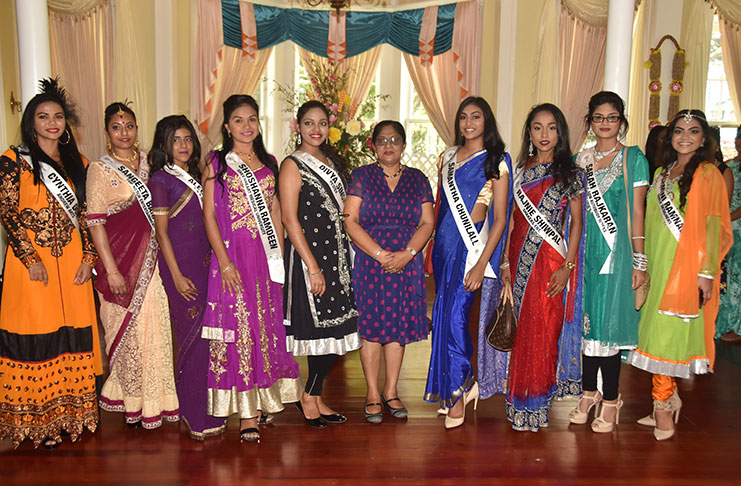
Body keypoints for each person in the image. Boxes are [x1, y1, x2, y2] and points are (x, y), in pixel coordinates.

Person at [0, 79, 102, 449]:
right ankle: (37, 421)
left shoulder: (80, 163)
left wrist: (89, 258)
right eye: (43, 116)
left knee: (71, 334)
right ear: (32, 122)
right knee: (36, 336)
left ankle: (71, 417)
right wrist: (29, 258)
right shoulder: (13, 161)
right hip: (32, 265)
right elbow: (7, 212)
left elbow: (89, 215)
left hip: (73, 262)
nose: (52, 122)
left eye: (58, 116)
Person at [201, 95, 302, 443]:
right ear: (227, 126)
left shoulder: (270, 161)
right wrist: (225, 263)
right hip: (233, 258)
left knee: (266, 325)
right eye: (239, 120)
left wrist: (280, 258)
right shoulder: (216, 162)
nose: (246, 126)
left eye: (252, 119)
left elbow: (275, 212)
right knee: (241, 327)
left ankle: (264, 399)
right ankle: (246, 413)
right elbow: (209, 217)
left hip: (265, 259)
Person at [627, 110, 732, 441]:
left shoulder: (708, 174)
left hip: (686, 270)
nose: (685, 136)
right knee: (655, 333)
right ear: (669, 136)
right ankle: (666, 395)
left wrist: (705, 272)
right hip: (658, 266)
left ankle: (662, 405)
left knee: (666, 335)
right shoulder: (661, 172)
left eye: (694, 130)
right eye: (679, 130)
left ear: (704, 139)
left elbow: (714, 226)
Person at [87, 102, 179, 428]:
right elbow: (95, 223)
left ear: (137, 129)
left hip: (153, 264)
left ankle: (156, 401)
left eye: (130, 126)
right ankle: (132, 402)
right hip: (120, 264)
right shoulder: (100, 170)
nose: (124, 133)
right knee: (126, 334)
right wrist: (111, 271)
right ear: (107, 131)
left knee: (155, 331)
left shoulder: (152, 164)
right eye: (117, 126)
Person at [424, 96, 512, 429]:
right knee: (443, 318)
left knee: (458, 317)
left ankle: (461, 390)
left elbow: (501, 218)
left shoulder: (497, 160)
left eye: (476, 116)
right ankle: (456, 385)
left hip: (472, 247)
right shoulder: (446, 157)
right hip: (445, 246)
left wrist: (481, 263)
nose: (468, 123)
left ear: (486, 120)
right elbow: (440, 205)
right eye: (463, 117)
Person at [569, 91, 649, 433]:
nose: (605, 123)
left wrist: (640, 261)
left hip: (617, 256)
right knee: (587, 328)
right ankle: (589, 393)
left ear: (622, 120)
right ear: (590, 121)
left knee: (610, 328)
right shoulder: (579, 159)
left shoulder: (633, 158)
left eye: (611, 117)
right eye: (598, 117)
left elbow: (638, 212)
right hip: (586, 253)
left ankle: (612, 398)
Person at [501, 103, 584, 432]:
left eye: (551, 128)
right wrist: (506, 261)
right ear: (529, 133)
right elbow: (510, 220)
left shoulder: (570, 173)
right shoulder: (521, 170)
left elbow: (576, 224)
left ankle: (536, 402)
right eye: (538, 127)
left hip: (551, 261)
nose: (545, 134)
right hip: (519, 258)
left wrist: (567, 266)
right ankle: (519, 401)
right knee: (522, 331)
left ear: (560, 133)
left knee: (545, 331)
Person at [344, 121, 434, 423]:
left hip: (407, 262)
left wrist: (408, 255)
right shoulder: (361, 177)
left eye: (395, 139)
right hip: (371, 261)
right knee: (371, 328)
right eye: (382, 140)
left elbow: (427, 223)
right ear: (373, 145)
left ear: (404, 145)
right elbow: (351, 220)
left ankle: (391, 390)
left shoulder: (418, 178)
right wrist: (381, 255)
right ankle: (372, 392)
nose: (388, 145)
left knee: (397, 329)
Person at [280, 100, 360, 428]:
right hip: (309, 259)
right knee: (318, 331)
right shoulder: (291, 165)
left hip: (339, 256)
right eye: (309, 123)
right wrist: (312, 266)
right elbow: (289, 218)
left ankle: (313, 394)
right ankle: (309, 397)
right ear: (297, 126)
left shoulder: (333, 162)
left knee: (340, 329)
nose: (316, 129)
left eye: (322, 123)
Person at [148, 115, 227, 439]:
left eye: (188, 139)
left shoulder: (200, 174)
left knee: (209, 340)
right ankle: (196, 415)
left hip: (206, 263)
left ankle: (199, 407)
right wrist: (177, 276)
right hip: (179, 267)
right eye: (176, 140)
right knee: (192, 341)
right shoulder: (160, 180)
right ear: (164, 144)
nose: (183, 146)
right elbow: (161, 234)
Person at [716, 125, 741, 342]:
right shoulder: (728, 167)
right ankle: (723, 324)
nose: (738, 142)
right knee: (726, 279)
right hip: (726, 229)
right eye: (738, 137)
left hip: (737, 226)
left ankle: (738, 327)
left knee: (737, 280)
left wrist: (726, 217)